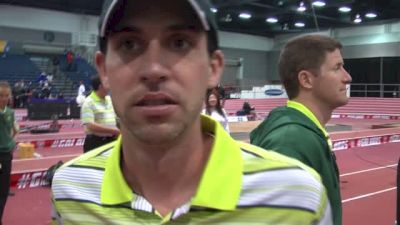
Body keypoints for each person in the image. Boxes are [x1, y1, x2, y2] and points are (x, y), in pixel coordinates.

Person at [51, 1, 332, 224]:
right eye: (129, 44)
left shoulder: (297, 197)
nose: (153, 70)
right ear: (103, 69)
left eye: (179, 43)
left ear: (213, 68)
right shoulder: (70, 189)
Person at [250, 34, 352, 225]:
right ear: (306, 80)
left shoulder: (303, 133)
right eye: (337, 68)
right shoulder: (290, 141)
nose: (348, 77)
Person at [80, 76, 119, 153]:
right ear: (101, 86)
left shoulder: (109, 99)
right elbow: (90, 126)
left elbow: (115, 118)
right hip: (96, 143)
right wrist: (114, 130)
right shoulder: (89, 102)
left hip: (111, 140)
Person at [0, 81, 19, 225]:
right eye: (1, 95)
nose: (4, 98)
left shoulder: (11, 113)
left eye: (6, 95)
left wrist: (12, 142)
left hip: (6, 156)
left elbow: (15, 130)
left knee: (4, 190)